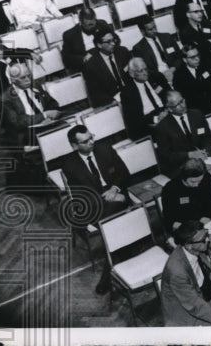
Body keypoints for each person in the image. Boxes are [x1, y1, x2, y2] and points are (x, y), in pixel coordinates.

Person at [60, 125, 131, 294]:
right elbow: (80, 196)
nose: (92, 142)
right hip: (96, 206)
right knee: (115, 222)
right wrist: (106, 198)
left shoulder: (105, 149)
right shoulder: (69, 165)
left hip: (117, 196)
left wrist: (114, 189)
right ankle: (120, 256)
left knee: (114, 224)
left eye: (91, 137)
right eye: (85, 141)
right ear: (75, 146)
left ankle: (110, 271)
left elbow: (124, 173)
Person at [153, 90, 211, 177]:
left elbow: (208, 137)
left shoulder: (197, 114)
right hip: (181, 166)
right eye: (177, 105)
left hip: (203, 159)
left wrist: (207, 152)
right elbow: (166, 156)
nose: (183, 105)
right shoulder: (162, 127)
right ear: (169, 108)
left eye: (182, 101)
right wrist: (189, 155)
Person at [161, 158, 211, 235]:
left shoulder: (207, 179)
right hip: (184, 227)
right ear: (184, 177)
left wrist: (207, 216)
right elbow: (168, 218)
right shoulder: (171, 188)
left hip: (205, 222)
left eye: (200, 181)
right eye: (193, 182)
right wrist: (182, 227)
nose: (197, 185)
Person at [119, 56, 171, 135]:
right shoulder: (127, 93)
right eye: (140, 71)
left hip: (167, 112)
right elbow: (134, 120)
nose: (145, 73)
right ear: (132, 74)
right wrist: (156, 119)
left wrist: (167, 111)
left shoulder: (157, 77)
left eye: (146, 69)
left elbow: (171, 95)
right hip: (150, 122)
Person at [83, 28, 131, 108]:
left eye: (113, 40)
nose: (113, 44)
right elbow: (96, 93)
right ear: (99, 45)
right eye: (108, 42)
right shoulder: (92, 66)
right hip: (113, 100)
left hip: (131, 91)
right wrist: (114, 102)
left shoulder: (122, 52)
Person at [62, 8, 113, 73]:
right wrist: (83, 59)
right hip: (88, 67)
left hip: (106, 58)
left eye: (94, 24)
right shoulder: (69, 35)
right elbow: (66, 59)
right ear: (81, 22)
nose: (92, 27)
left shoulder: (102, 24)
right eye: (89, 25)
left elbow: (116, 39)